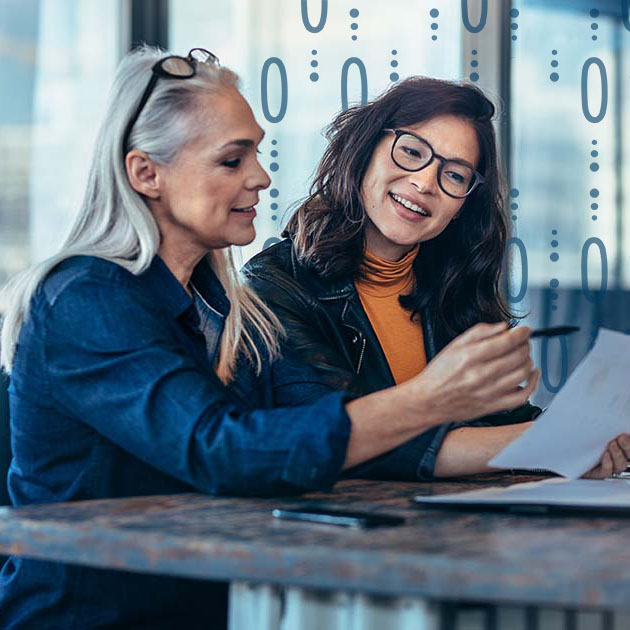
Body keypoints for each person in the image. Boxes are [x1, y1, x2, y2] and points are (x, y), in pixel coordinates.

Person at [0, 47, 549, 630]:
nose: (261, 176)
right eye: (232, 160)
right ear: (146, 173)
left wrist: (562, 442)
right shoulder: (86, 298)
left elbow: (307, 432)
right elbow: (224, 451)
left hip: (213, 607)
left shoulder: (221, 304)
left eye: (256, 154)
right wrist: (431, 399)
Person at [244, 76, 630, 481]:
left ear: (463, 205)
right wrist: (554, 441)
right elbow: (344, 442)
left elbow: (503, 421)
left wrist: (590, 443)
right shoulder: (274, 285)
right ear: (364, 150)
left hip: (455, 529)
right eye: (411, 152)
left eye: (456, 176)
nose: (425, 183)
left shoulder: (456, 285)